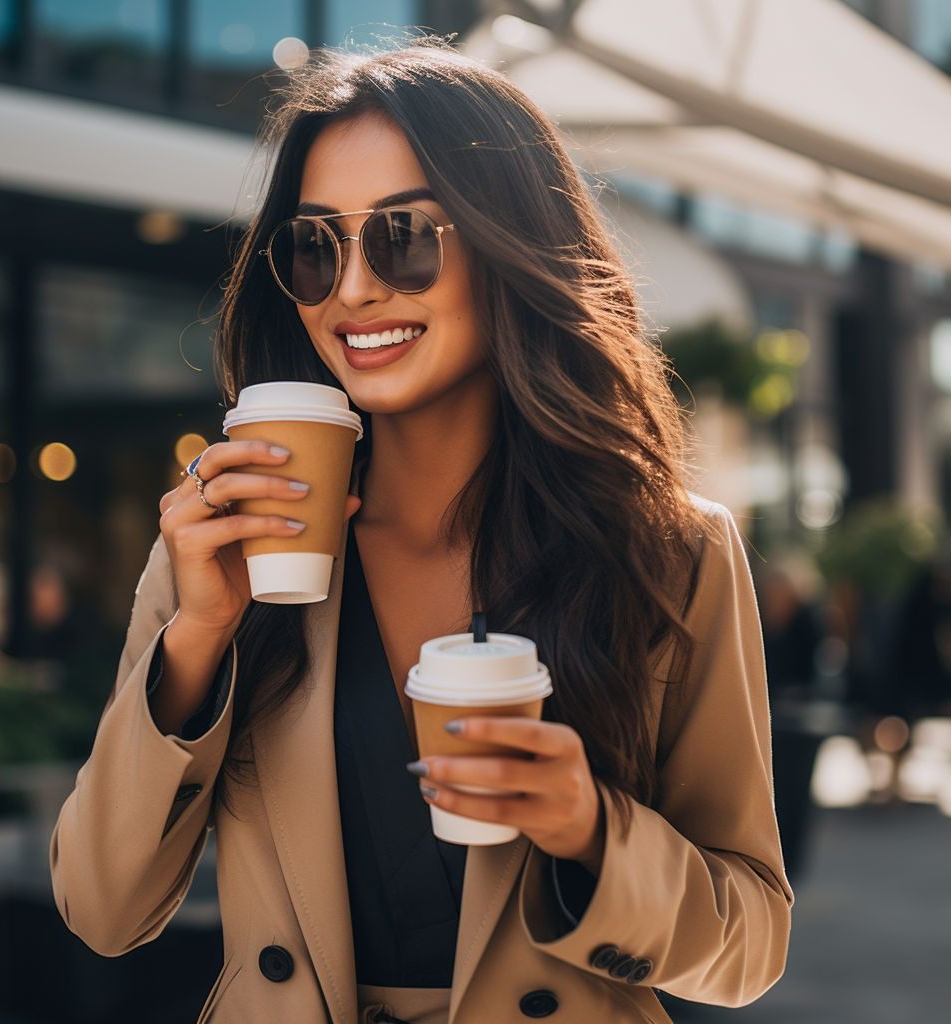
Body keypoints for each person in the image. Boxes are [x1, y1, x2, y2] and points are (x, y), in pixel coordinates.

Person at [50, 43, 791, 1024]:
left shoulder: (666, 551)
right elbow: (101, 911)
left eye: (401, 236)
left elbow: (751, 943)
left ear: (506, 242)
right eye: (315, 247)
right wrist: (194, 641)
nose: (351, 289)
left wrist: (590, 832)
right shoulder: (224, 548)